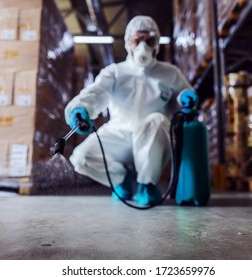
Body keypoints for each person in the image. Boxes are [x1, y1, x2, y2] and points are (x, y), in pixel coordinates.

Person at [64, 15, 198, 205]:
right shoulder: (115, 72)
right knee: (81, 158)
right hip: (119, 133)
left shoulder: (170, 73)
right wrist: (81, 108)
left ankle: (147, 184)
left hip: (153, 136)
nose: (143, 47)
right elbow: (97, 92)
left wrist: (186, 98)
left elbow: (184, 101)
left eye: (149, 41)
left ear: (157, 43)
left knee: (157, 120)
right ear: (128, 42)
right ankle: (120, 178)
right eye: (138, 40)